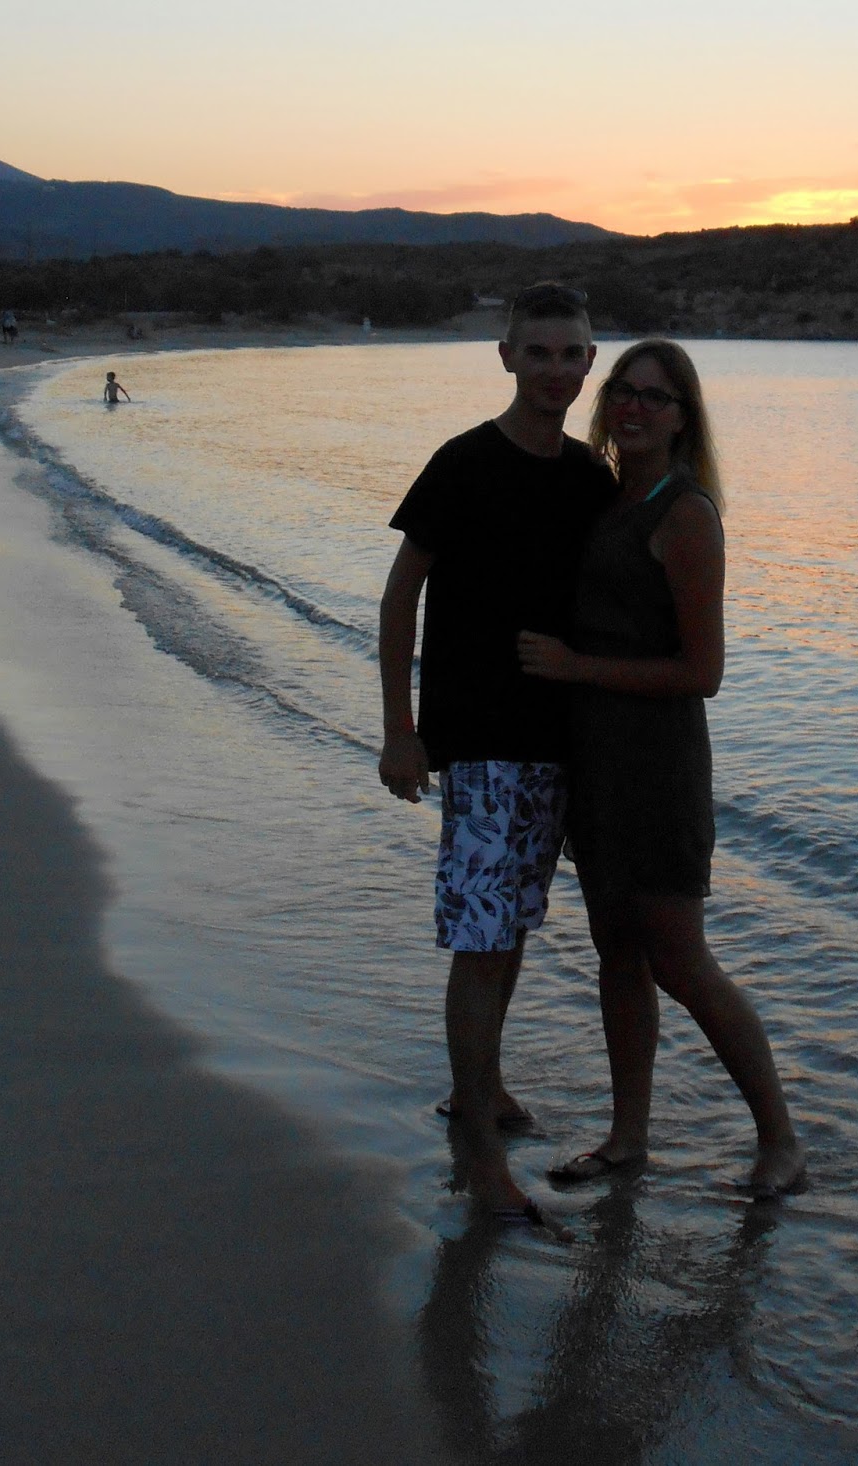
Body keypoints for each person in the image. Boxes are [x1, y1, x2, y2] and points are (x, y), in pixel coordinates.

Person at [518, 340, 806, 1199]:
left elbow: (702, 671)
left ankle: (782, 1143)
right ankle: (628, 1138)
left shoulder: (684, 513)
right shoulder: (609, 499)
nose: (635, 407)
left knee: (680, 960)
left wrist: (576, 668)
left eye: (656, 397)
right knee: (616, 952)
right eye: (625, 391)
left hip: (658, 768)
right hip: (596, 763)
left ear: (684, 418)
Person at [377, 282, 614, 1224]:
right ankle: (479, 1151)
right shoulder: (464, 463)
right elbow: (402, 596)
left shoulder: (588, 477)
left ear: (590, 363)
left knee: (510, 929)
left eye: (571, 354)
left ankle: (484, 1087)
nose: (555, 369)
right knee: (482, 944)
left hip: (555, 743)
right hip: (478, 745)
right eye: (538, 352)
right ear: (507, 356)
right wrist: (401, 731)